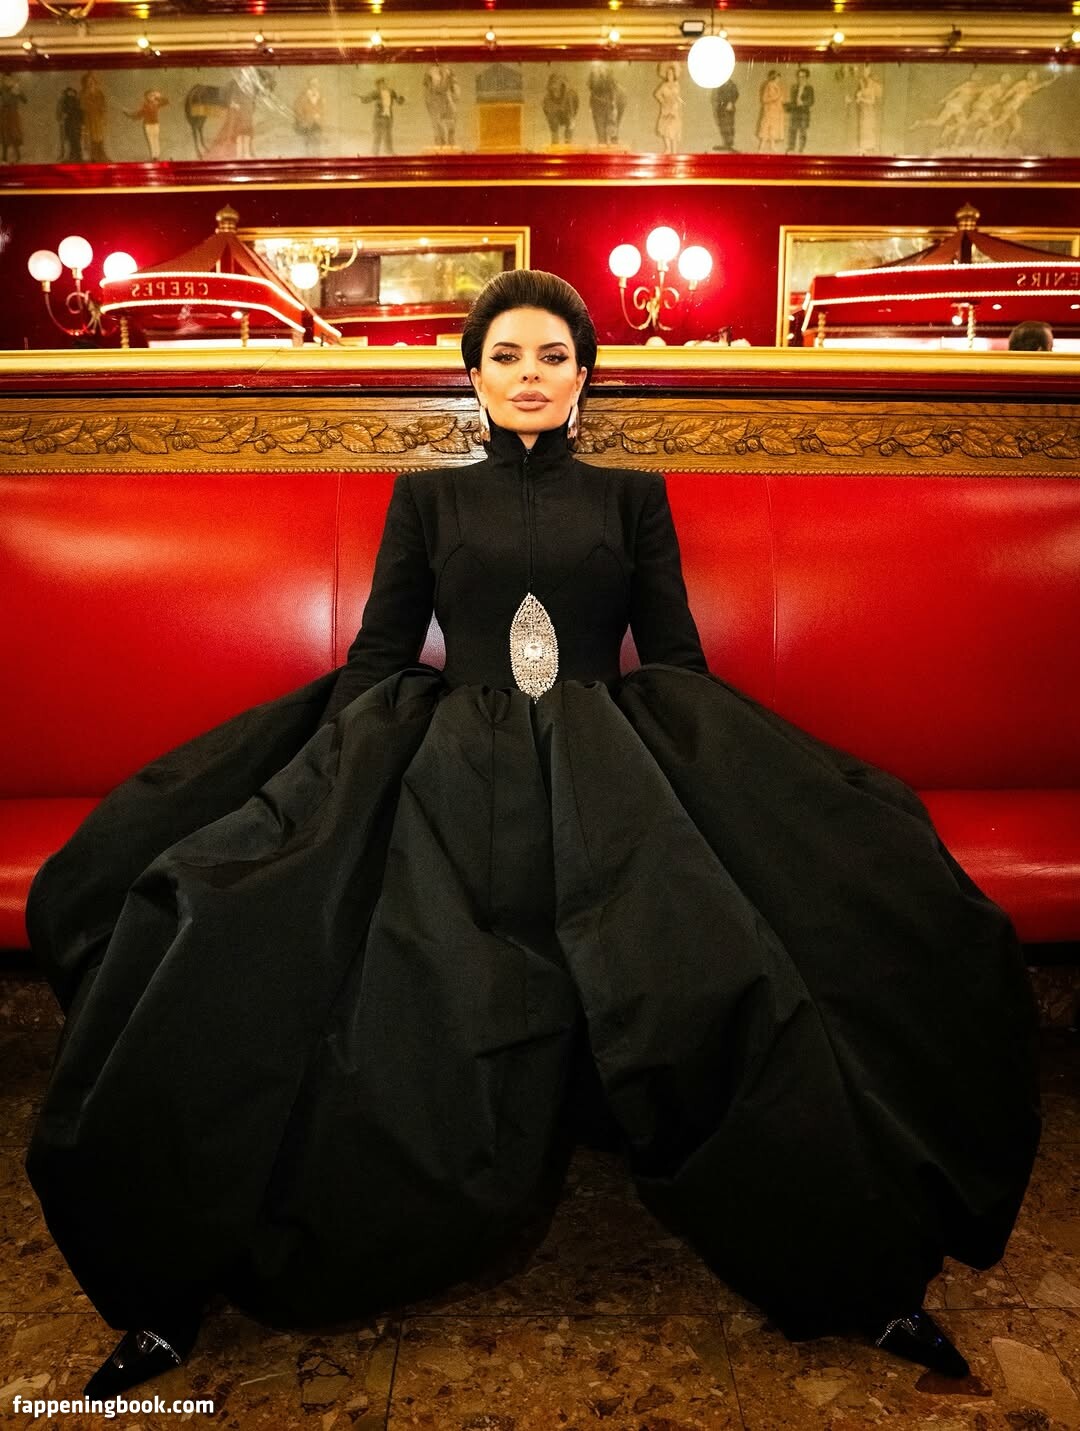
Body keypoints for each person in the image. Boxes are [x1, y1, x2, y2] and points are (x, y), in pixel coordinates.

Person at [25, 270, 1040, 1401]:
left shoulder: (632, 495)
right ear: (472, 374)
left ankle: (868, 1272)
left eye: (553, 355)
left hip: (611, 759)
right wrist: (328, 788)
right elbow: (379, 654)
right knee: (252, 929)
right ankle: (170, 1292)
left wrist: (724, 788)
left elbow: (676, 661)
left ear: (584, 376)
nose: (529, 375)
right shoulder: (426, 498)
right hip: (450, 756)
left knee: (741, 964)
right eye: (505, 355)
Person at [785, 67, 814, 153]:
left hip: (804, 112)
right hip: (795, 112)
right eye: (799, 76)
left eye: (803, 76)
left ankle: (802, 149)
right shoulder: (794, 87)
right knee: (792, 130)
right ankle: (791, 148)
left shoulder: (809, 88)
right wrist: (787, 106)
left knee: (803, 131)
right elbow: (792, 100)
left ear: (807, 77)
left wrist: (803, 103)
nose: (800, 79)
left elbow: (811, 101)